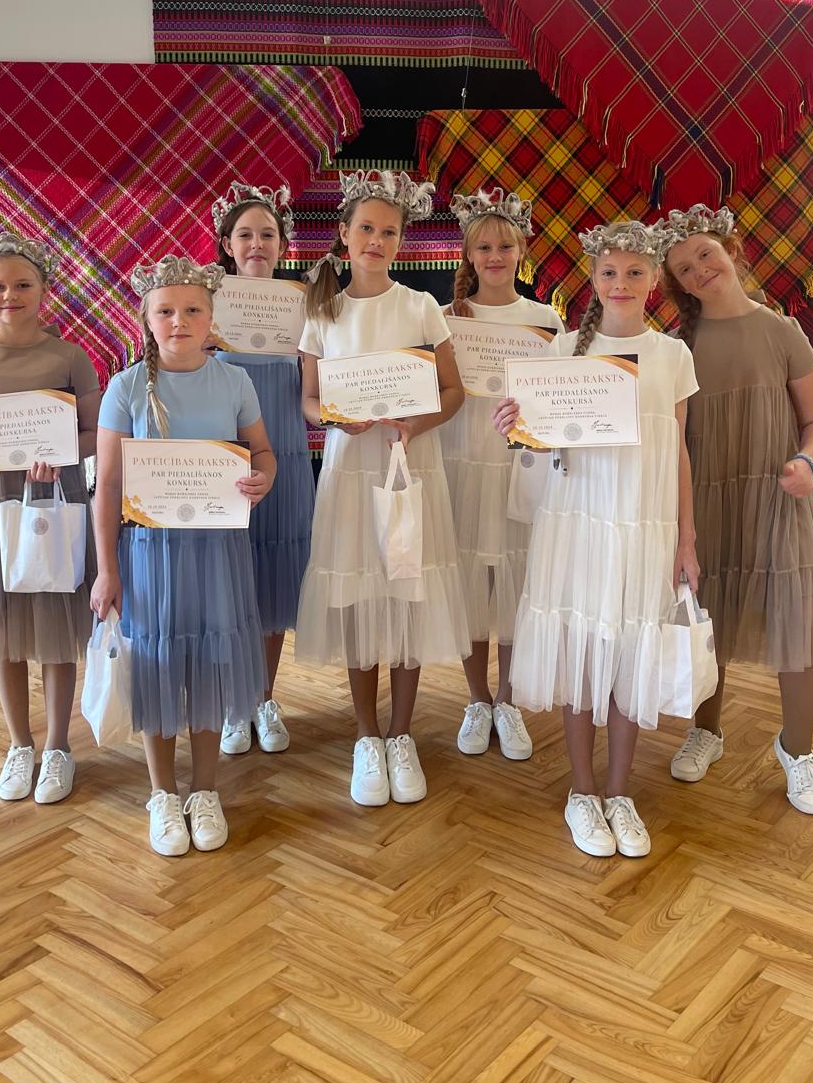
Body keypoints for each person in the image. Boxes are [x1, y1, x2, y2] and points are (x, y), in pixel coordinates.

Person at [497, 221, 699, 858]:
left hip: (645, 526)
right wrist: (516, 426)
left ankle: (620, 792)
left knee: (631, 652)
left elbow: (680, 452)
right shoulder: (562, 352)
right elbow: (540, 444)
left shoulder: (673, 356)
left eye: (635, 272)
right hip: (578, 524)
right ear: (593, 278)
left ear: (654, 279)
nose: (621, 284)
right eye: (610, 273)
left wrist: (686, 540)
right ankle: (582, 791)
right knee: (584, 649)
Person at [294, 170, 470, 808]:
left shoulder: (420, 306)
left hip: (408, 467)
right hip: (350, 470)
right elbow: (309, 399)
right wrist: (334, 418)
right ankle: (367, 735)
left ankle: (402, 734)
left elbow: (452, 391)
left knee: (405, 590)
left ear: (402, 241)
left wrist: (414, 425)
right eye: (366, 228)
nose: (376, 240)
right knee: (360, 594)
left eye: (388, 232)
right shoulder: (322, 311)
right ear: (343, 234)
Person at [90, 256, 275, 856]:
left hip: (218, 550)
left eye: (192, 309)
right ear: (147, 319)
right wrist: (107, 569)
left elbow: (262, 453)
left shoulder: (234, 381)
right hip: (150, 553)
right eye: (166, 311)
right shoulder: (125, 387)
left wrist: (263, 479)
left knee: (212, 659)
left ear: (211, 315)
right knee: (159, 663)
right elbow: (108, 486)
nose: (179, 321)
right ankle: (163, 793)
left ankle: (206, 790)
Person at [656, 204, 813, 815]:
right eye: (684, 269)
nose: (700, 270)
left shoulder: (783, 332)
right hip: (704, 501)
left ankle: (798, 750)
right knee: (709, 617)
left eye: (705, 255)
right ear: (677, 285)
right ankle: (705, 730)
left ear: (731, 251)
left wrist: (806, 462)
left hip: (776, 497)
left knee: (800, 617)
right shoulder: (677, 348)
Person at [0, 230, 99, 805]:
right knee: (3, 627)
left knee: (55, 623)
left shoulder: (70, 357)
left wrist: (59, 455)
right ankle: (19, 744)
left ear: (44, 289)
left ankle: (58, 748)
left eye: (23, 285)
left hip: (53, 498)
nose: (11, 296)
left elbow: (92, 433)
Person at [441, 187, 563, 762]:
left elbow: (558, 401)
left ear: (521, 252)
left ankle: (509, 701)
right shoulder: (448, 320)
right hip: (462, 459)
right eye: (484, 247)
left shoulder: (544, 321)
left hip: (520, 466)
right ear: (468, 255)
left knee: (515, 584)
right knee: (471, 584)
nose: (494, 256)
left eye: (504, 247)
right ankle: (477, 698)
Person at [211, 184, 315, 757]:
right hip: (226, 461)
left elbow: (322, 383)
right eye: (246, 234)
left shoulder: (303, 307)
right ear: (228, 244)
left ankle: (264, 698)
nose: (257, 244)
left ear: (282, 244)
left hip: (287, 457)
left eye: (267, 235)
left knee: (273, 576)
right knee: (232, 578)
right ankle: (233, 701)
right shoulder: (206, 306)